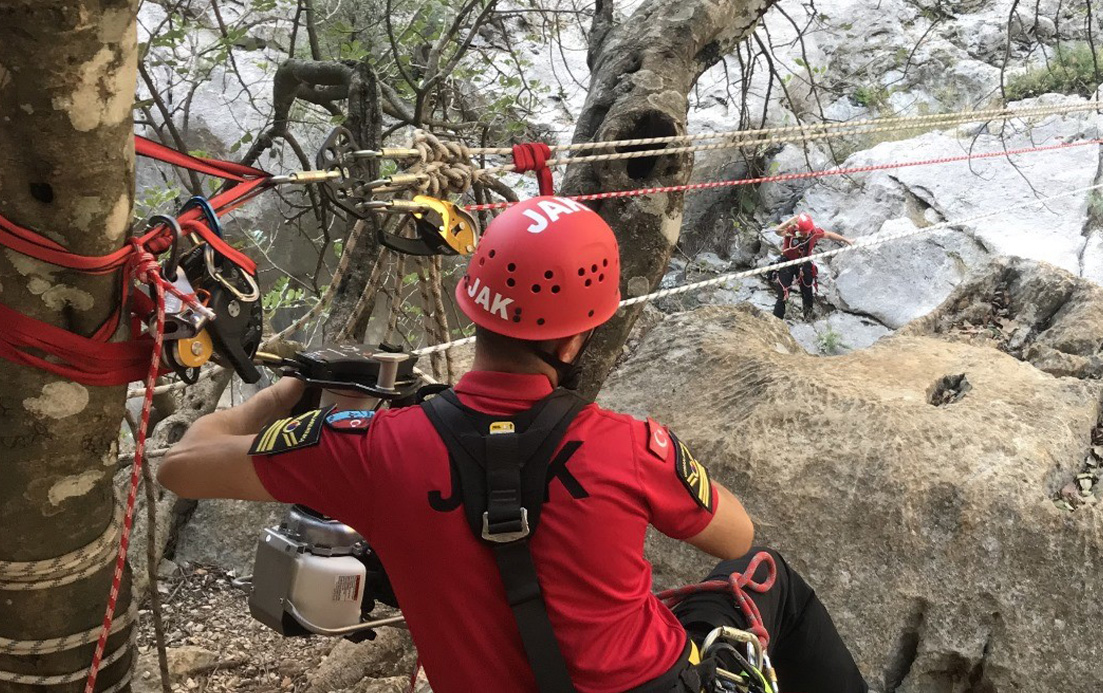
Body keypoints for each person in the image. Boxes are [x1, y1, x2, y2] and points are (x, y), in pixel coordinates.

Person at [159, 196, 868, 693]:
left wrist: (287, 393)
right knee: (772, 576)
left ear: (473, 307)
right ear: (573, 334)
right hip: (650, 683)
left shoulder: (368, 447)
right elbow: (736, 534)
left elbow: (183, 466)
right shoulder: (630, 447)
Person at [771, 213, 852, 320]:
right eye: (802, 233)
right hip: (788, 263)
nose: (804, 235)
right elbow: (777, 231)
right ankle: (777, 320)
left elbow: (829, 235)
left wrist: (846, 240)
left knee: (807, 292)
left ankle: (808, 317)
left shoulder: (814, 232)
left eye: (806, 233)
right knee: (783, 294)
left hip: (804, 263)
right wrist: (792, 220)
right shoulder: (791, 230)